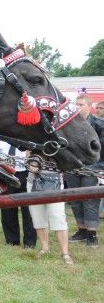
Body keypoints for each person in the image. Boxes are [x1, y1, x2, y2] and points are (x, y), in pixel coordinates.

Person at [63, 94, 104, 246]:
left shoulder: (99, 124)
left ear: (89, 106)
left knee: (90, 199)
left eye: (81, 104)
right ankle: (82, 230)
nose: (77, 107)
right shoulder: (69, 124)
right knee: (75, 199)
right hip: (72, 167)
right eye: (76, 104)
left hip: (93, 168)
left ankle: (92, 234)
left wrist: (101, 168)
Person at [26, 156, 74, 265]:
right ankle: (44, 248)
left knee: (58, 217)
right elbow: (27, 155)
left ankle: (65, 253)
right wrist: (31, 165)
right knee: (37, 217)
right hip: (33, 182)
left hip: (55, 182)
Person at [0, 140, 37, 249]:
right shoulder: (3, 141)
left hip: (25, 174)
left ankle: (30, 242)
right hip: (7, 175)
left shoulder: (27, 141)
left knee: (28, 210)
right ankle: (11, 240)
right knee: (7, 208)